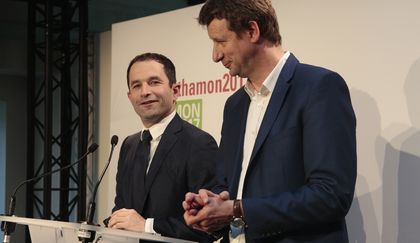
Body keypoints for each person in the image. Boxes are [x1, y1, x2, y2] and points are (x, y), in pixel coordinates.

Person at [182, 0, 357, 242]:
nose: (215, 55)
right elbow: (226, 187)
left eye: (221, 41)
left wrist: (237, 209)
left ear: (252, 31)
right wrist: (209, 208)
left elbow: (331, 195)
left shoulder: (319, 87)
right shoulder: (234, 106)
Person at [107, 52, 218, 242]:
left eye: (154, 82)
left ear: (175, 91)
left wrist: (147, 226)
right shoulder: (128, 145)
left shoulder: (199, 143)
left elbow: (208, 225)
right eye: (136, 86)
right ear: (130, 96)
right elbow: (122, 209)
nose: (144, 92)